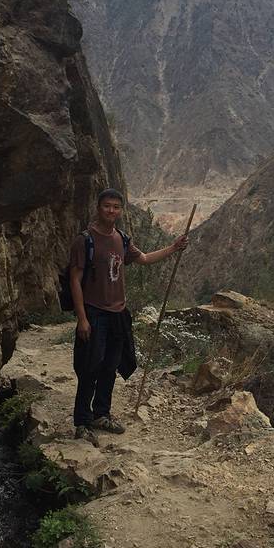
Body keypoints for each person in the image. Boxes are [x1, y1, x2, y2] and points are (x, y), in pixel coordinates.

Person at [69, 188, 188, 446]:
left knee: (110, 366)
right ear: (98, 207)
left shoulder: (121, 239)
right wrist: (82, 318)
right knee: (89, 368)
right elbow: (75, 280)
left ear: (121, 210)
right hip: (95, 312)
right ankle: (82, 422)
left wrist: (173, 247)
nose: (111, 210)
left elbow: (143, 258)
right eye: (107, 206)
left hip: (118, 313)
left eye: (116, 206)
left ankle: (101, 414)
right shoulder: (85, 240)